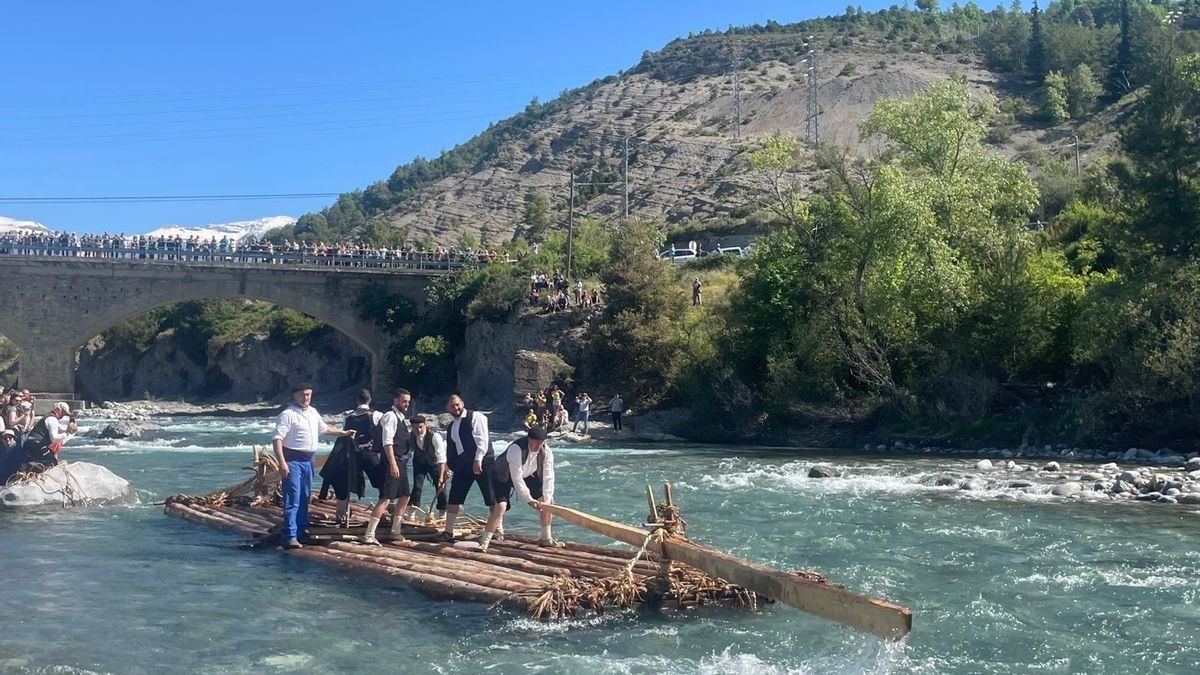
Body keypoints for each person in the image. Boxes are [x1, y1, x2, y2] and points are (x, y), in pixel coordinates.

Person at [272, 384, 357, 550]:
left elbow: (324, 428)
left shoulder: (313, 412)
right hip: (292, 461)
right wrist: (282, 462)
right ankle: (290, 535)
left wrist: (344, 433)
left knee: (304, 498)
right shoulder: (287, 415)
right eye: (303, 395)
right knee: (293, 499)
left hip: (308, 461)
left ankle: (302, 531)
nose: (306, 398)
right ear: (295, 396)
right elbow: (277, 439)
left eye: (309, 394)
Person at [439, 394, 504, 552]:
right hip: (463, 465)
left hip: (484, 462)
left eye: (457, 404)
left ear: (462, 403)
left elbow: (482, 439)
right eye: (452, 406)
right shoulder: (451, 427)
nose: (456, 408)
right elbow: (452, 450)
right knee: (454, 497)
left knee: (491, 498)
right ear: (448, 408)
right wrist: (448, 468)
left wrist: (478, 460)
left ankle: (498, 530)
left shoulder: (476, 416)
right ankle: (448, 532)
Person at [318, 389, 378, 525]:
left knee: (343, 480)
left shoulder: (348, 417)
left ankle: (341, 515)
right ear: (370, 400)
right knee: (383, 481)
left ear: (357, 401)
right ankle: (389, 509)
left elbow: (344, 435)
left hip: (350, 454)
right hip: (368, 453)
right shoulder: (376, 415)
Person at [362, 389, 413, 545]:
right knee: (386, 497)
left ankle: (395, 531)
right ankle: (369, 535)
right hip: (392, 462)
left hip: (401, 462)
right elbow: (387, 442)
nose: (406, 405)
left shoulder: (401, 418)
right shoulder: (390, 417)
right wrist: (392, 464)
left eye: (408, 402)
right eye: (404, 401)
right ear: (396, 401)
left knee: (405, 495)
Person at [494, 427, 560, 547]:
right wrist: (528, 499)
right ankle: (498, 530)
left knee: (548, 501)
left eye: (542, 442)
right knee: (501, 505)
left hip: (528, 473)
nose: (539, 445)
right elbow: (516, 477)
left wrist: (546, 499)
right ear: (529, 439)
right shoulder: (516, 449)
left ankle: (546, 538)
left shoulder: (546, 452)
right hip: (504, 474)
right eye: (536, 442)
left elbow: (548, 477)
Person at [406, 415, 447, 521]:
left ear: (425, 425)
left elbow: (441, 456)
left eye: (421, 427)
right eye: (415, 428)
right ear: (412, 427)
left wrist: (442, 474)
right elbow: (408, 452)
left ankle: (442, 513)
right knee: (417, 486)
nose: (418, 430)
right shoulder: (411, 436)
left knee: (441, 487)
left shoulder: (435, 436)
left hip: (434, 463)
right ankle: (412, 512)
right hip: (419, 463)